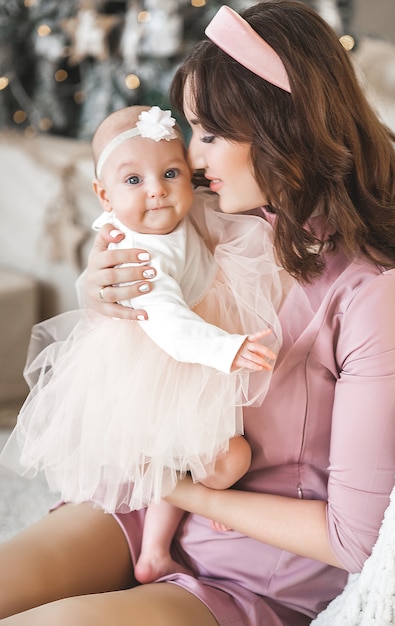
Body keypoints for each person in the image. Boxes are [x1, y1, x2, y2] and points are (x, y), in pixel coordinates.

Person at [1, 2, 395, 624]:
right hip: (143, 506)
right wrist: (103, 293)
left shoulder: (375, 298)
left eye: (212, 135)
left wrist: (182, 488)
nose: (193, 159)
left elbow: (353, 538)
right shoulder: (218, 216)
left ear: (282, 129)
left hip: (249, 574)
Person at [0, 104, 280, 583]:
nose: (156, 189)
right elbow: (169, 321)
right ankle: (166, 532)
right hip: (164, 364)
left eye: (171, 173)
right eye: (134, 181)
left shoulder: (181, 216)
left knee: (193, 456)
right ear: (103, 194)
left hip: (177, 361)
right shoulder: (138, 253)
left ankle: (155, 549)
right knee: (223, 458)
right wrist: (223, 348)